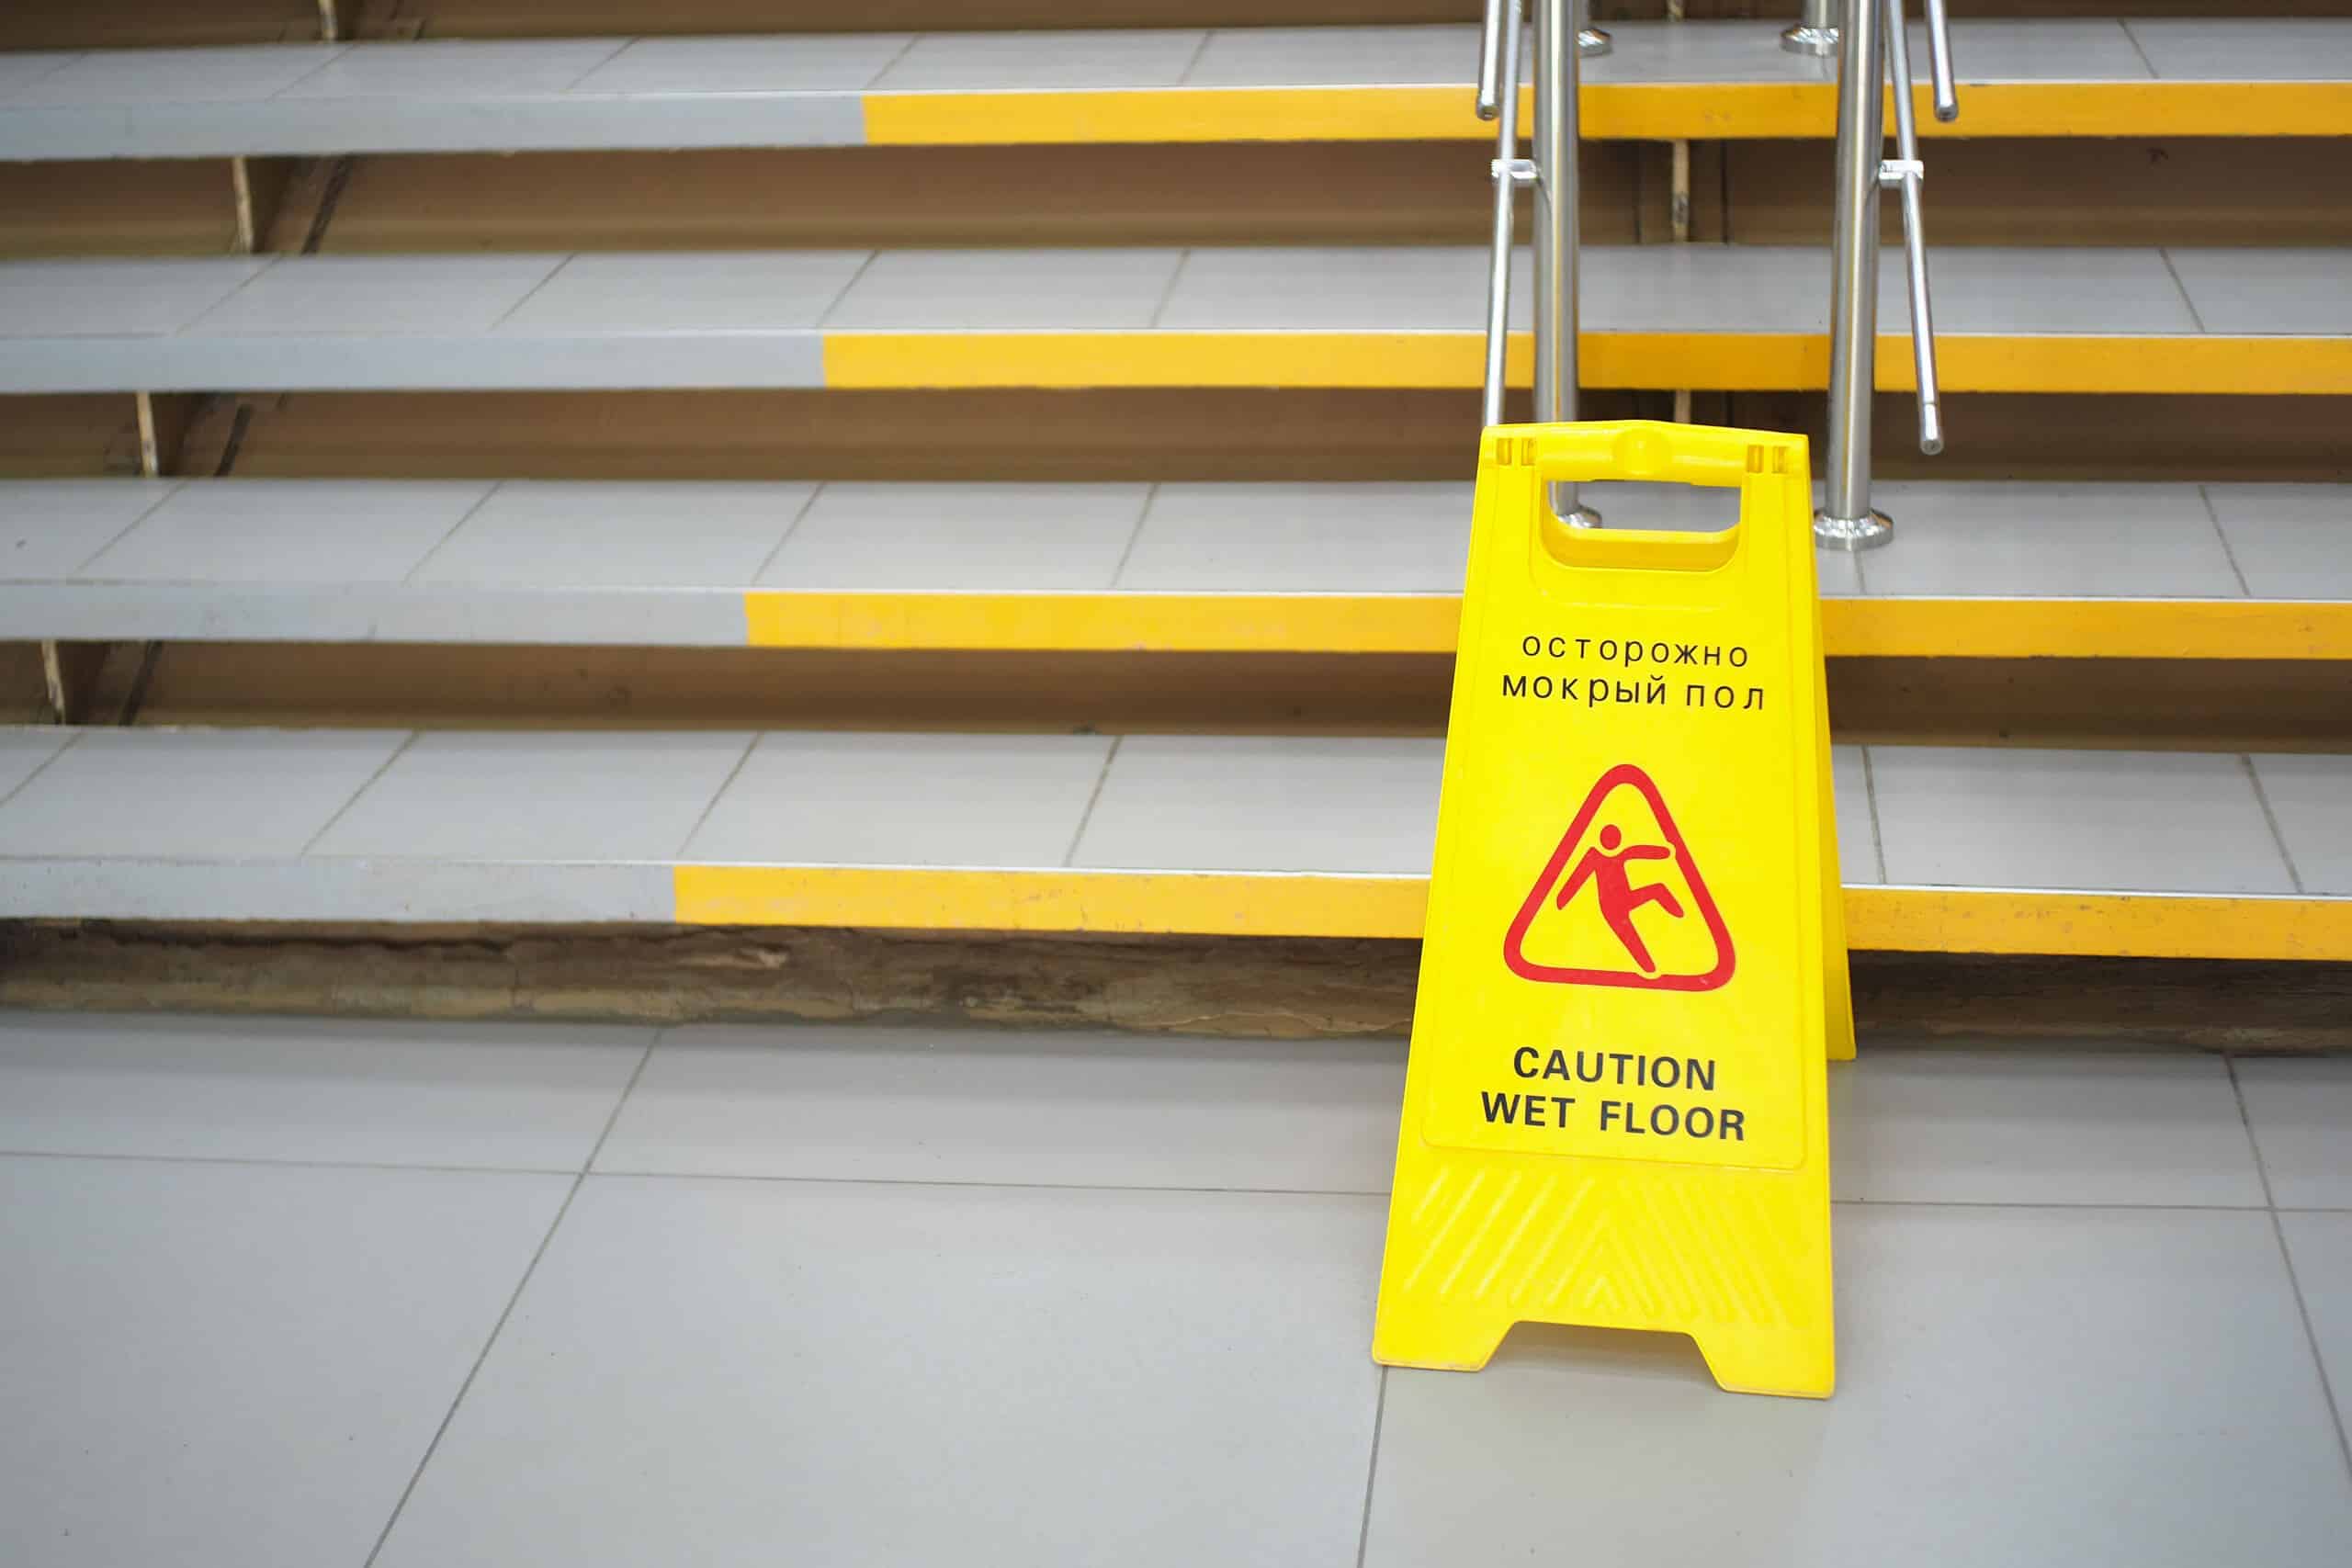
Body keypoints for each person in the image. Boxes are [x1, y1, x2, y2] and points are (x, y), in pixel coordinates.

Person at [1556, 823, 1682, 973]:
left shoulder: (1622, 854)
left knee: (1658, 889)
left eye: (1614, 837)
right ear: (1602, 839)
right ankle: (1649, 969)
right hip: (1611, 908)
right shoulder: (1594, 856)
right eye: (1609, 838)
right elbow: (1577, 879)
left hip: (1627, 898)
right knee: (1632, 941)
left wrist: (1665, 852)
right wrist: (1562, 900)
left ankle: (1681, 916)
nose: (1612, 841)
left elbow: (1639, 851)